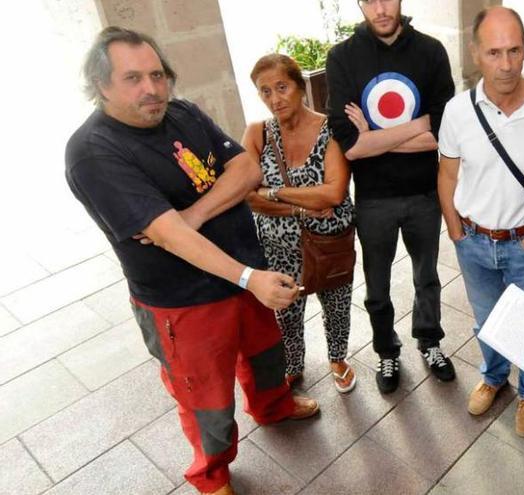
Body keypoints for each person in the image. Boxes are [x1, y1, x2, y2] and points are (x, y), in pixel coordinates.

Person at [65, 27, 319, 495]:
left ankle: (272, 406)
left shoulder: (181, 113)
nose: (152, 89)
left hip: (246, 276)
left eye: (158, 75)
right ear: (101, 85)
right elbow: (167, 237)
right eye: (133, 78)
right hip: (184, 301)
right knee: (206, 398)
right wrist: (246, 274)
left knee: (266, 357)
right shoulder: (93, 152)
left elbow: (246, 168)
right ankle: (212, 473)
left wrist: (194, 214)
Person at [438, 6, 524, 437]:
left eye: (514, 50)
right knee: (488, 319)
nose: (507, 64)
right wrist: (456, 233)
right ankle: (494, 377)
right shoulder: (458, 111)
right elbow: (448, 173)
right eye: (495, 53)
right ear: (476, 53)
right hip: (473, 240)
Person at [326, 0, 457, 393]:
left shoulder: (430, 51)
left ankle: (429, 341)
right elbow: (350, 146)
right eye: (369, 0)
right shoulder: (343, 58)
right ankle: (387, 351)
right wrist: (417, 125)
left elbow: (445, 132)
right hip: (373, 199)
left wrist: (374, 138)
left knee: (427, 278)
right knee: (377, 286)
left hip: (423, 191)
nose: (380, 8)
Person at [242, 54, 357, 394]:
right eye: (265, 92)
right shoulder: (257, 133)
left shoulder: (330, 129)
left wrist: (272, 191)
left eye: (282, 87)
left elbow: (333, 193)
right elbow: (247, 195)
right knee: (286, 312)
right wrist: (301, 208)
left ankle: (338, 358)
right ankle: (292, 366)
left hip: (329, 243)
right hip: (277, 248)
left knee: (336, 304)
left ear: (300, 87)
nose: (275, 99)